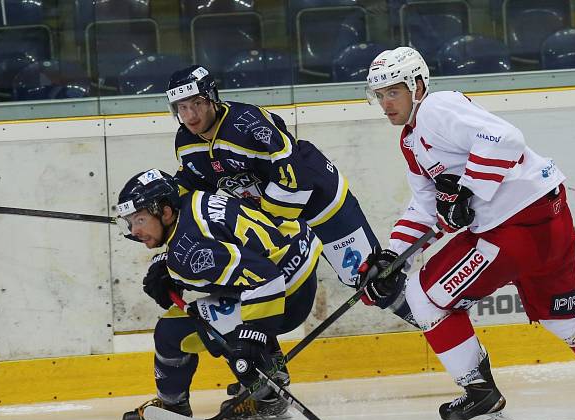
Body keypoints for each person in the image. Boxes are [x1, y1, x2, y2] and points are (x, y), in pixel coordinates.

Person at [358, 46, 575, 420]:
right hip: (546, 217)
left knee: (425, 298)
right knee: (565, 315)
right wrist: (393, 256)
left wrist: (467, 190)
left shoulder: (436, 109)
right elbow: (426, 205)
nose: (386, 103)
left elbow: (505, 138)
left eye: (394, 92)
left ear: (417, 85)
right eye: (380, 95)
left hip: (512, 228)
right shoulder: (411, 140)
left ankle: (479, 394)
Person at [164, 65, 421, 323]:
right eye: (182, 107)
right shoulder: (185, 142)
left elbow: (294, 177)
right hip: (277, 219)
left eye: (196, 103)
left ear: (212, 97)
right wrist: (168, 244)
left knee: (373, 281)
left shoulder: (248, 125)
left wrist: (269, 226)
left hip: (321, 203)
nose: (190, 115)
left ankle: (431, 321)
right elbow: (193, 185)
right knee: (260, 284)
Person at [117, 168, 322, 420]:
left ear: (166, 212)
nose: (135, 231)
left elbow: (264, 278)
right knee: (232, 300)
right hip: (298, 267)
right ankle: (269, 379)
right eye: (130, 223)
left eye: (140, 220)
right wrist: (167, 265)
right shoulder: (191, 200)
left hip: (285, 294)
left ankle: (175, 407)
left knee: (172, 332)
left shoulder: (188, 253)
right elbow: (229, 255)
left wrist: (253, 336)